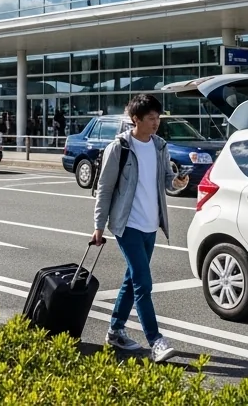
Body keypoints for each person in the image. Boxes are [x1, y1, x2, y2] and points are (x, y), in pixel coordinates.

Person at [92, 94, 188, 363]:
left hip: (150, 226)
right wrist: (99, 225)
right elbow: (105, 188)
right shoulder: (119, 148)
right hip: (128, 225)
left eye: (158, 117)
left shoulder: (160, 146)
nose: (156, 122)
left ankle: (115, 331)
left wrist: (178, 183)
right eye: (151, 118)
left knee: (131, 280)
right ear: (136, 119)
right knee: (143, 284)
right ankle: (156, 341)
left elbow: (167, 182)